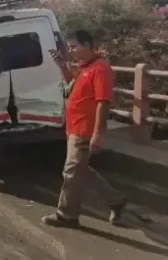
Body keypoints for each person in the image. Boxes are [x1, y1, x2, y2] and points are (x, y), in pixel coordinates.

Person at [42, 29, 126, 228]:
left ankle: (66, 215)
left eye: (74, 46)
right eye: (69, 47)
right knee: (81, 170)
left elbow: (103, 103)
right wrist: (63, 66)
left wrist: (97, 134)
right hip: (74, 127)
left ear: (87, 45)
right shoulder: (84, 68)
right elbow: (72, 86)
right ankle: (116, 200)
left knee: (72, 171)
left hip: (85, 130)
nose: (71, 51)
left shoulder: (100, 69)